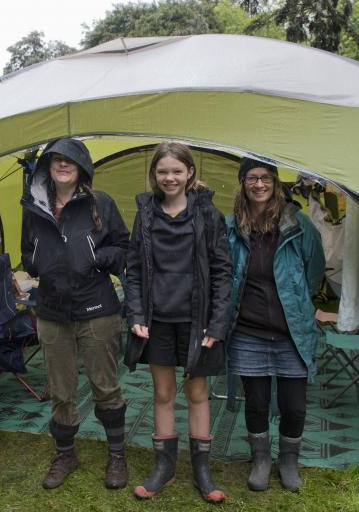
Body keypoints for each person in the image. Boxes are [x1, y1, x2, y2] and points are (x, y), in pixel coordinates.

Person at [125, 142, 233, 503]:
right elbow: (134, 270)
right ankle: (165, 467)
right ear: (154, 175)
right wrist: (136, 314)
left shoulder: (208, 216)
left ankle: (202, 469)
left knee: (198, 392)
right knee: (163, 393)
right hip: (157, 321)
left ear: (190, 173)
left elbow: (222, 272)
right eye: (162, 172)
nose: (169, 178)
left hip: (197, 323)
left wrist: (217, 324)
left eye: (176, 171)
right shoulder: (146, 214)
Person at [20, 138, 130, 490]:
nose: (63, 165)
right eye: (56, 160)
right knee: (61, 391)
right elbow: (27, 252)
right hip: (52, 311)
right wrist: (41, 264)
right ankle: (65, 453)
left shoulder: (101, 203)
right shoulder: (34, 206)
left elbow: (124, 247)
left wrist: (95, 258)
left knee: (105, 386)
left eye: (70, 160)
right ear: (47, 167)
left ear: (82, 166)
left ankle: (116, 456)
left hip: (97, 308)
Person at [226, 158, 325, 492]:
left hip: (291, 334)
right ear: (242, 183)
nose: (258, 185)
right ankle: (261, 459)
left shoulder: (299, 226)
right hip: (248, 332)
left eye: (265, 178)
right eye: (251, 178)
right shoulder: (232, 227)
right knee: (255, 402)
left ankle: (288, 460)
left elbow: (313, 272)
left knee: (294, 404)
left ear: (276, 183)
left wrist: (296, 303)